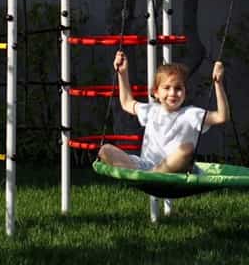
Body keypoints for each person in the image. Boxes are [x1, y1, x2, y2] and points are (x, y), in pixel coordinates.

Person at [98, 50, 230, 173]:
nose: (172, 93)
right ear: (156, 92)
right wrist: (122, 73)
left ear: (185, 92)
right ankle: (147, 174)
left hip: (176, 168)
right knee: (105, 150)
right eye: (166, 88)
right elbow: (127, 102)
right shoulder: (151, 110)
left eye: (178, 88)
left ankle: (150, 176)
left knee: (187, 149)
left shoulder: (191, 114)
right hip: (147, 166)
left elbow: (221, 116)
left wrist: (218, 84)